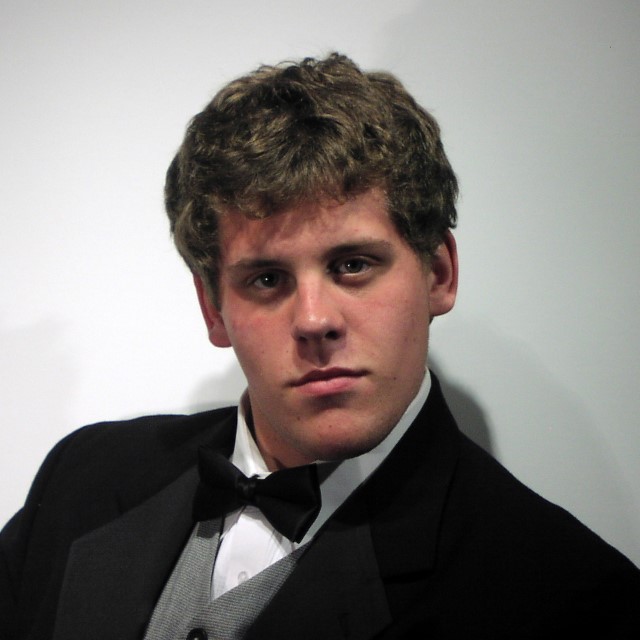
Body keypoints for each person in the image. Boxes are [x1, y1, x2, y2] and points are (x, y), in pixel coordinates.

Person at [1, 53, 639, 640]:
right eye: (267, 279)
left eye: (353, 265)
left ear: (439, 274)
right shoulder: (82, 477)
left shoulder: (571, 598)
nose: (313, 319)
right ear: (213, 309)